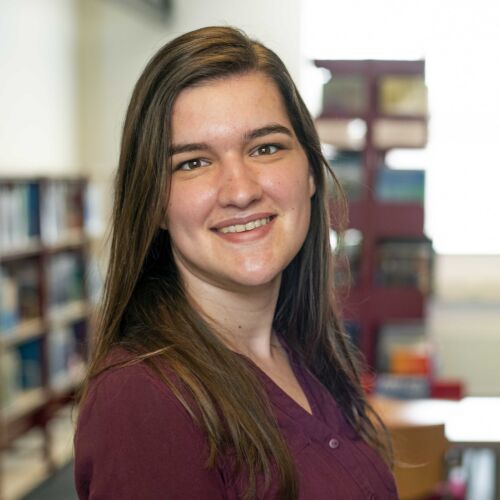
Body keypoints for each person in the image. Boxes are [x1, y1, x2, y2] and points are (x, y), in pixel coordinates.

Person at [74, 26, 398, 500]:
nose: (241, 190)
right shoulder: (143, 401)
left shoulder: (302, 351)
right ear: (155, 204)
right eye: (193, 162)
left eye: (265, 148)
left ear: (310, 171)